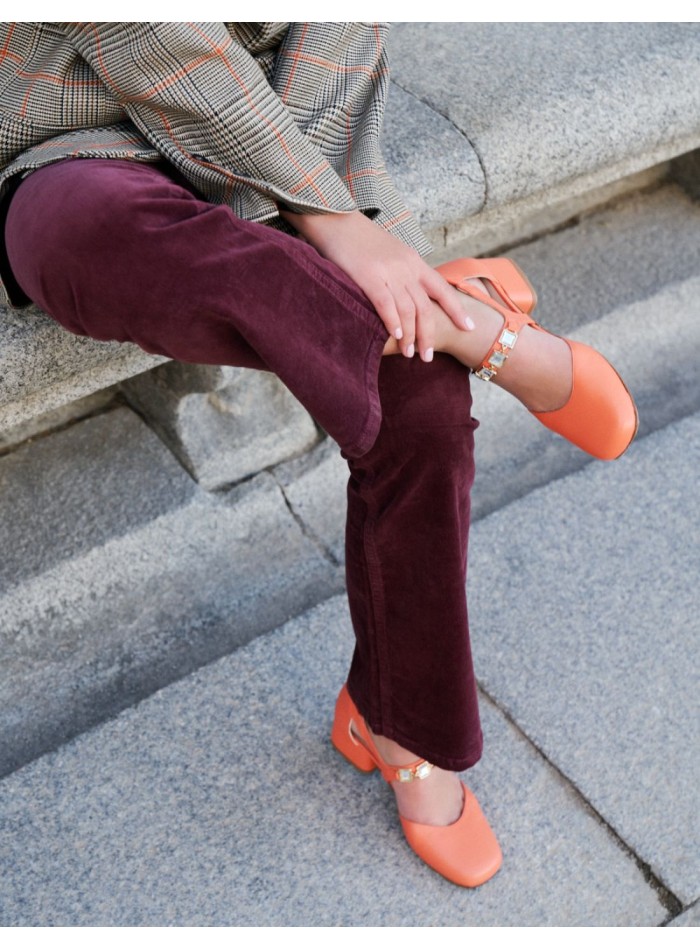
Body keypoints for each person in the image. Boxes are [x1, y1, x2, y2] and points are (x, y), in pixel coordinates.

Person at [0, 22, 637, 888]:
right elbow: (142, 28)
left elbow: (336, 33)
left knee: (420, 401)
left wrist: (321, 207)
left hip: (282, 139)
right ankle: (477, 328)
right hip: (75, 140)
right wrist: (335, 221)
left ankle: (400, 727)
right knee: (81, 237)